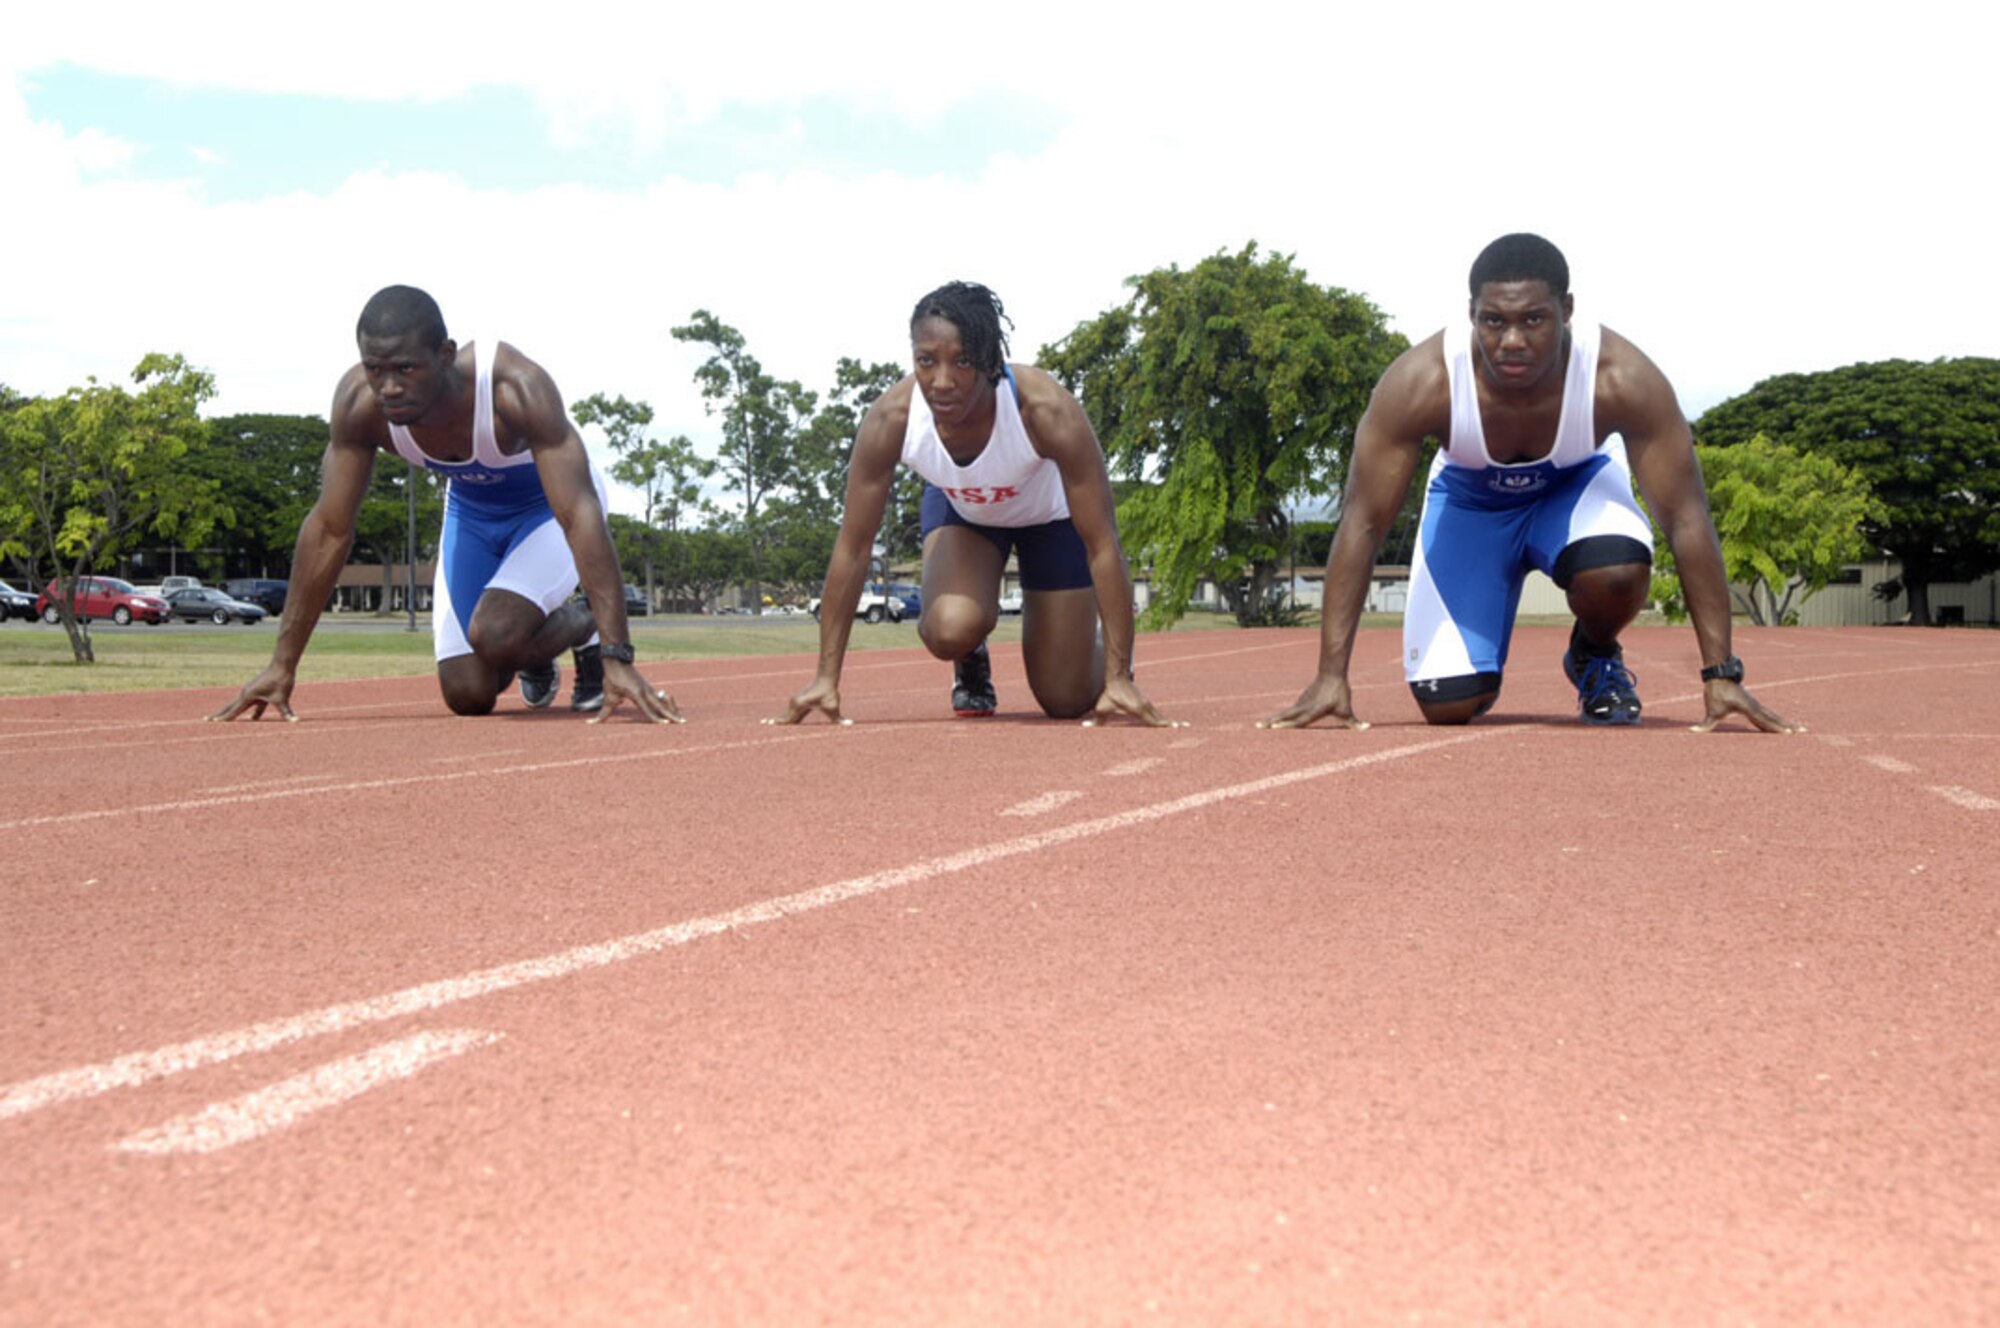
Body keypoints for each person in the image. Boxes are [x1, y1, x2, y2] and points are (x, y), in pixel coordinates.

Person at [1264, 234, 1799, 734]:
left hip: (1575, 489)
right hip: (1472, 505)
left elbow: (1685, 517)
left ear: (1567, 311)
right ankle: (1473, 660)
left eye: (1534, 319)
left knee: (1615, 571)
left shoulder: (1621, 380)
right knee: (1448, 703)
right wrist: (1332, 673)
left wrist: (1721, 673)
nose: (1512, 340)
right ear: (1470, 314)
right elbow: (1363, 520)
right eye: (1493, 321)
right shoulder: (1423, 384)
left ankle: (1592, 651)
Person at [210, 285, 680, 725]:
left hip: (548, 511)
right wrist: (282, 664)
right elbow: (330, 530)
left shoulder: (512, 388)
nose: (388, 386)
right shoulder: (360, 405)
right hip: (472, 514)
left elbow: (578, 513)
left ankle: (583, 628)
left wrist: (618, 654)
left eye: (405, 369)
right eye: (376, 369)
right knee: (468, 695)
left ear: (445, 355)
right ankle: (530, 644)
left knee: (496, 634)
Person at [767, 281, 1177, 728]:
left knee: (1065, 698)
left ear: (989, 362)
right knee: (949, 628)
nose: (941, 382)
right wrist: (826, 676)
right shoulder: (892, 420)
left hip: (1050, 519)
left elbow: (1102, 543)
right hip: (967, 510)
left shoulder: (1045, 410)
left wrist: (1118, 675)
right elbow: (853, 547)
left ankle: (1102, 651)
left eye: (961, 361)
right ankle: (971, 654)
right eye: (926, 361)